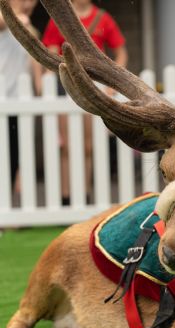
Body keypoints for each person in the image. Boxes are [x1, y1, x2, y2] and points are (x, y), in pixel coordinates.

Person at [42, 0, 128, 205]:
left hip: (93, 85)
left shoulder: (103, 18)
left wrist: (113, 83)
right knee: (66, 145)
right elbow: (51, 51)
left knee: (88, 146)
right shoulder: (60, 18)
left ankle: (85, 193)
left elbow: (121, 51)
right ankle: (65, 196)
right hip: (65, 85)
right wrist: (47, 82)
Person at [0, 0, 42, 195]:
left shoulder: (29, 28)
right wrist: (17, 17)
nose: (30, 3)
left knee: (14, 156)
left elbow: (35, 63)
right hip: (3, 97)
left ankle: (7, 205)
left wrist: (41, 90)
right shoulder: (8, 19)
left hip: (19, 99)